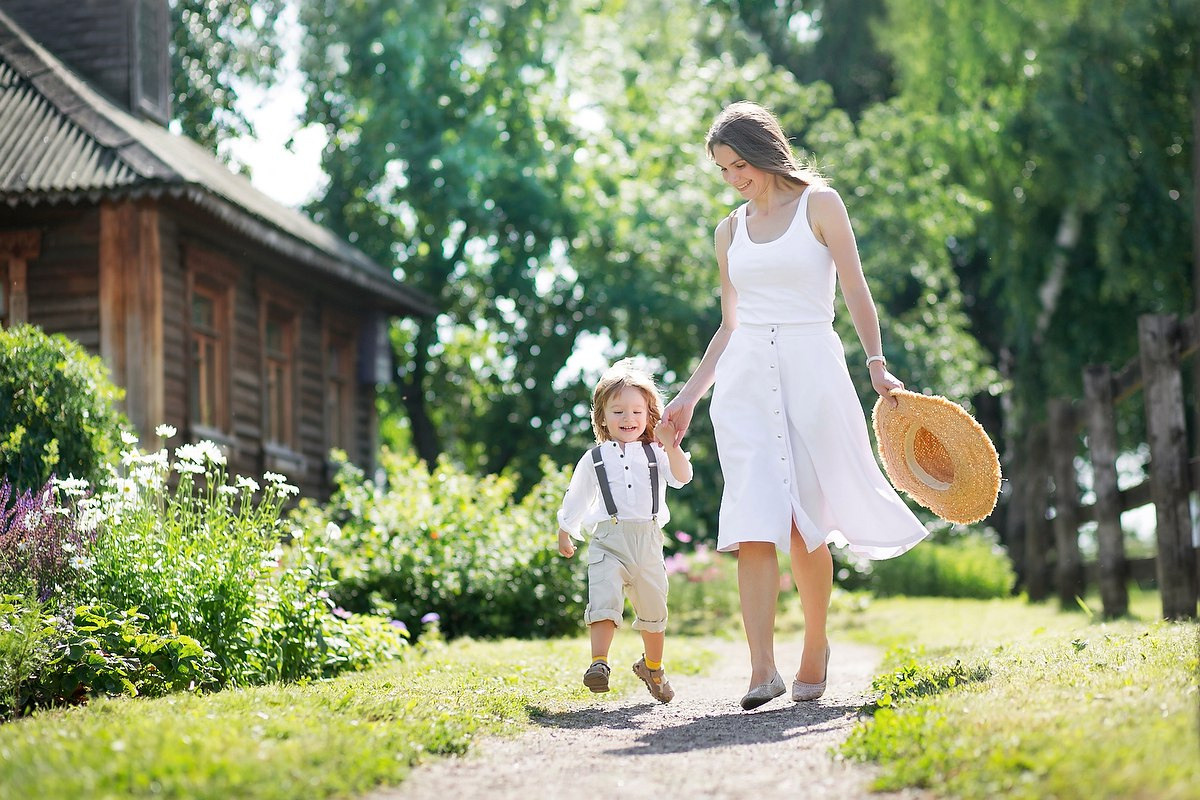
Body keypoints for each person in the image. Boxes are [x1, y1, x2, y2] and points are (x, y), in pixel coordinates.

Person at [662, 101, 929, 711]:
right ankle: (762, 670)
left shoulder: (821, 205)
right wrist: (686, 399)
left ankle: (815, 645)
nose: (733, 178)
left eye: (738, 164)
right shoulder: (727, 230)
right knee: (753, 520)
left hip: (813, 370)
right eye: (723, 170)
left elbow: (857, 289)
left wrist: (877, 366)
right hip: (745, 383)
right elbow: (728, 325)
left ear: (763, 149)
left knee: (805, 521)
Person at [557, 359, 693, 704]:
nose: (628, 419)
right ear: (602, 417)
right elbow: (577, 496)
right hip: (608, 539)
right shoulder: (595, 458)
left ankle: (653, 667)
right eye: (618, 411)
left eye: (636, 411)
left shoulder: (657, 453)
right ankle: (599, 663)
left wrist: (671, 444)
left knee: (653, 611)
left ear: (649, 415)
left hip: (647, 541)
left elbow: (682, 477)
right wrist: (565, 530)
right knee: (603, 599)